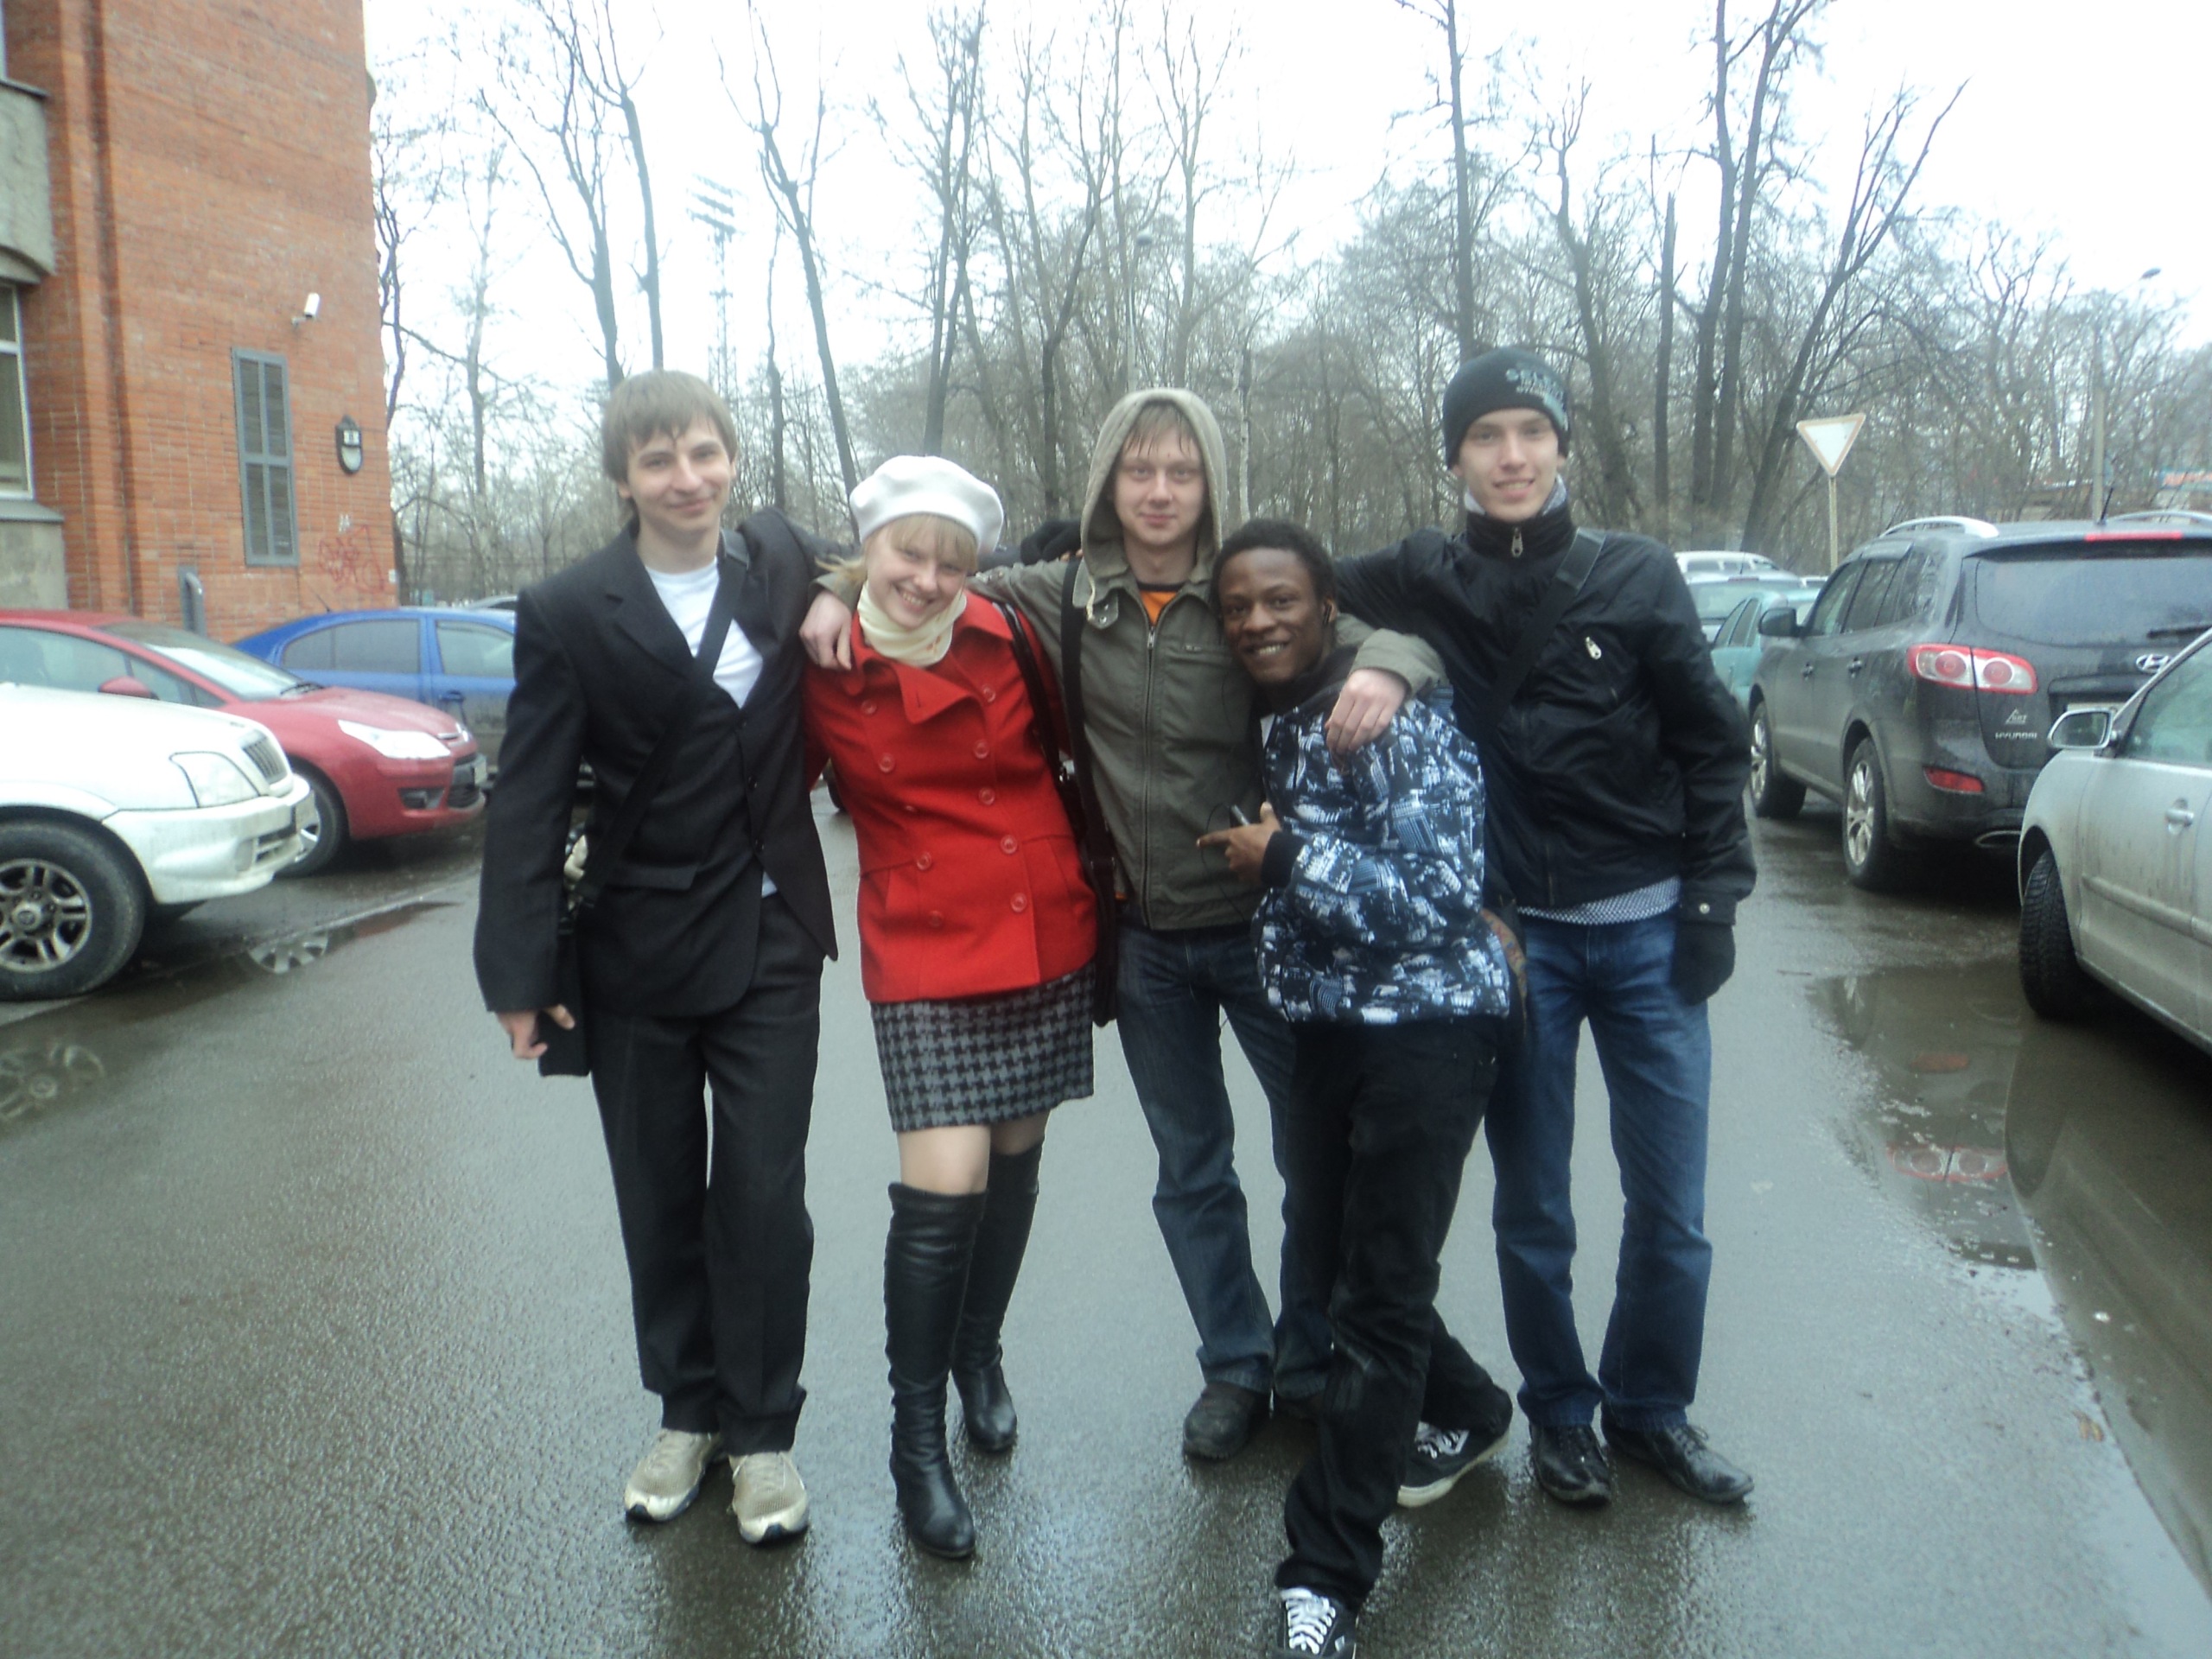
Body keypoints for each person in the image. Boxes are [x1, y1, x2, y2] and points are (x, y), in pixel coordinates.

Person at [803, 391, 1451, 1460]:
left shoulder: (1245, 591)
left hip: (1269, 931)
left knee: (1318, 1160)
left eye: (1181, 472)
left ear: (1209, 483)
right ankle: (1234, 1365)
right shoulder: (1055, 596)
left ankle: (1310, 1358)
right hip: (1146, 941)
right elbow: (921, 572)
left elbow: (1381, 636)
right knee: (1193, 1170)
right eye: (1138, 471)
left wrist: (1390, 665)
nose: (1158, 492)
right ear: (1108, 481)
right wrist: (833, 590)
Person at [1330, 347, 1758, 1508]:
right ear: (1455, 458)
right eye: (1486, 435)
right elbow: (1285, 582)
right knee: (1534, 1208)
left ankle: (1651, 1411)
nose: (1511, 456)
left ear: (1562, 444)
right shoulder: (1424, 573)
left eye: (1531, 431)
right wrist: (1387, 655)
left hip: (1651, 934)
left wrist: (1712, 897)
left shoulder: (1637, 575)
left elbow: (1713, 745)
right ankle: (1561, 1415)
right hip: (1520, 947)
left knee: (1671, 1209)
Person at [474, 370, 838, 1544]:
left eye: (704, 452)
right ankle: (688, 1412)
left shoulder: (778, 567)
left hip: (771, 934)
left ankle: (764, 1433)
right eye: (659, 459)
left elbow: (900, 556)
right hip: (638, 944)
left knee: (764, 1194)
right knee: (658, 1188)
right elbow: (531, 794)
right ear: (623, 479)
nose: (688, 478)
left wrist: (841, 588)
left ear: (731, 458)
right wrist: (519, 974)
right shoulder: (570, 607)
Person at [1200, 520, 1514, 1659]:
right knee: (1342, 1269)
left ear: (1329, 608)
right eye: (1239, 607)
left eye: (1281, 599)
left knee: (1375, 1300)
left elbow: (1440, 893)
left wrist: (1284, 860)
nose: (1259, 622)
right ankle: (1471, 1410)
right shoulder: (1276, 719)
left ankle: (1324, 1574)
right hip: (1329, 1031)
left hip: (1428, 1034)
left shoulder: (1385, 716)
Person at [802, 455, 1097, 1560]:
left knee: (1013, 1168)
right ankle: (914, 1439)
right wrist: (822, 599)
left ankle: (982, 1351)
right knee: (942, 1191)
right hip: (924, 942)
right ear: (866, 549)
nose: (926, 580)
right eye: (906, 554)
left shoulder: (1010, 632)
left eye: (950, 563)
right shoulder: (823, 655)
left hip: (1039, 923)